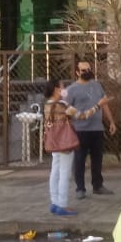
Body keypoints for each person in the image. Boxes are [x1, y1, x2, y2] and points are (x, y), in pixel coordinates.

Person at [65, 59, 117, 200]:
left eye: (88, 69)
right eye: (83, 70)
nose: (87, 72)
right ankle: (80, 188)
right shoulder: (71, 89)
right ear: (77, 72)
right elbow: (66, 110)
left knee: (97, 159)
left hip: (97, 128)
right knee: (80, 159)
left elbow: (104, 104)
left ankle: (98, 185)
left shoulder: (97, 85)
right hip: (80, 129)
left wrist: (111, 121)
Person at [44, 79, 76, 217]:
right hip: (65, 143)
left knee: (55, 171)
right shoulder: (62, 105)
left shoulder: (47, 105)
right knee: (64, 173)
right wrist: (98, 106)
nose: (64, 89)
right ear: (56, 89)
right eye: (62, 87)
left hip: (54, 142)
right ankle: (63, 204)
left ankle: (55, 202)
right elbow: (80, 114)